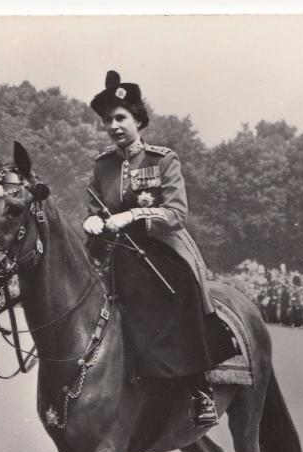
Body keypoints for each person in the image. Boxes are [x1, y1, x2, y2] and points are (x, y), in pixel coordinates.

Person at [83, 70, 236, 427]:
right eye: (108, 120)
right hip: (112, 250)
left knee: (178, 287)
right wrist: (90, 222)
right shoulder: (102, 165)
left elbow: (176, 213)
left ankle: (199, 389)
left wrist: (135, 215)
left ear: (138, 119)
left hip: (160, 246)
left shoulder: (162, 159)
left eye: (121, 118)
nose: (114, 126)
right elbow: (94, 209)